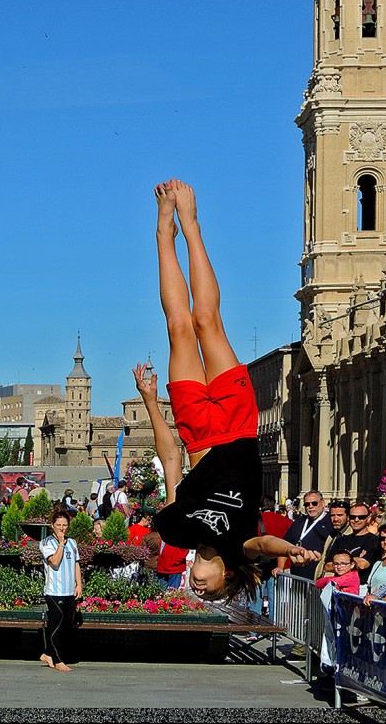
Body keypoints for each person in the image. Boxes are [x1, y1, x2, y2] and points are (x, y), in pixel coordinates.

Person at [134, 179, 315, 602]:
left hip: (196, 432)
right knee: (207, 322)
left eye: (199, 591)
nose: (200, 588)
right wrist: (291, 549)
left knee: (178, 328)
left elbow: (170, 459)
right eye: (211, 591)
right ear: (228, 578)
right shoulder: (241, 548)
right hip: (237, 427)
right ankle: (192, 226)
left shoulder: (175, 529)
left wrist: (150, 402)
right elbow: (266, 546)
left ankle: (164, 235)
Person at [38, 507, 82, 672]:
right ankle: (57, 659)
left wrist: (79, 584)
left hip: (69, 590)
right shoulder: (47, 543)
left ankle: (48, 653)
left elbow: (76, 563)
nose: (62, 528)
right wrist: (61, 544)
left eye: (64, 525)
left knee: (67, 625)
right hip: (55, 591)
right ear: (52, 525)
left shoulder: (72, 542)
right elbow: (55, 562)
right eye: (58, 525)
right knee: (56, 624)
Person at [276, 490, 335, 581]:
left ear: (322, 503)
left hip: (318, 578)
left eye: (314, 503)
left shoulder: (331, 522)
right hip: (297, 577)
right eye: (307, 504)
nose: (310, 507)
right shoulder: (299, 521)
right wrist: (280, 567)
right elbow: (285, 545)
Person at [327, 502, 380, 594]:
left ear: (368, 518)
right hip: (339, 588)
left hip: (361, 588)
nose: (356, 520)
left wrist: (338, 562)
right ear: (348, 518)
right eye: (353, 517)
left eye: (361, 517)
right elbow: (327, 566)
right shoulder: (341, 540)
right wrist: (353, 560)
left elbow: (363, 564)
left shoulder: (373, 540)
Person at [314, 500, 351, 580]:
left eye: (340, 515)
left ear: (348, 516)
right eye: (332, 515)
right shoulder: (332, 535)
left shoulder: (351, 536)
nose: (335, 519)